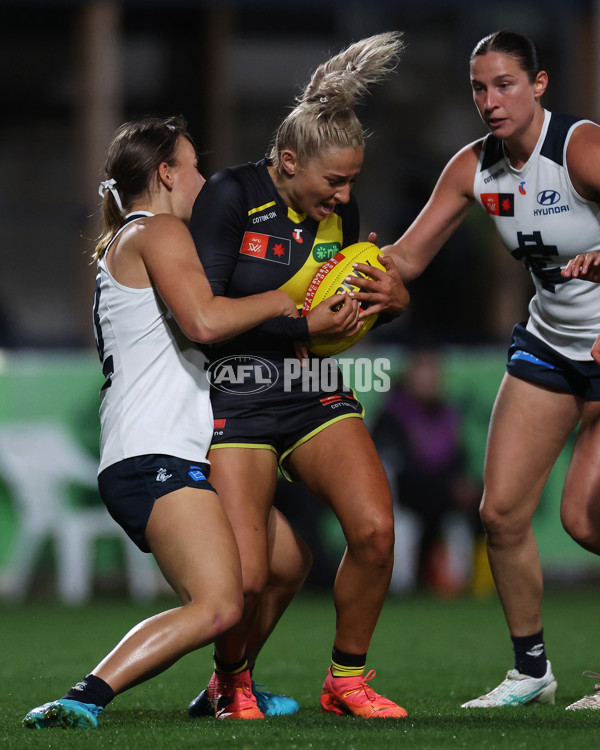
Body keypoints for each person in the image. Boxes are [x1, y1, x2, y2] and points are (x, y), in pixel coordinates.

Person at [21, 115, 305, 729]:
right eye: (193, 164)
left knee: (285, 563)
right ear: (166, 174)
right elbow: (204, 323)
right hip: (154, 456)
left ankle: (228, 690)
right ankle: (83, 697)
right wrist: (287, 300)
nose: (203, 176)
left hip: (156, 452)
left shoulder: (135, 238)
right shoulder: (159, 230)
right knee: (218, 604)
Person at [348, 29, 600, 709]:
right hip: (549, 344)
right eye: (479, 88)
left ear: (540, 85)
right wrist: (344, 269)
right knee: (502, 513)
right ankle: (532, 672)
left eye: (506, 84)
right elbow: (405, 260)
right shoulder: (474, 168)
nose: (491, 100)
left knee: (583, 519)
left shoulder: (579, 149)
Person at [186, 32, 410, 720]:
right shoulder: (228, 196)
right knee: (248, 576)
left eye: (351, 183)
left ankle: (346, 680)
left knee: (374, 531)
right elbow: (204, 315)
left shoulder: (337, 213)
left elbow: (350, 303)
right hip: (237, 396)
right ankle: (231, 683)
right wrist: (299, 328)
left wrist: (393, 304)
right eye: (333, 182)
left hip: (312, 392)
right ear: (288, 162)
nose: (344, 197)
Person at [371, 346, 481, 595]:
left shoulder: (446, 414)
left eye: (436, 371)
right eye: (425, 370)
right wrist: (448, 488)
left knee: (467, 515)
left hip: (441, 502)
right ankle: (401, 591)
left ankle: (462, 587)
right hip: (401, 502)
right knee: (404, 528)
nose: (432, 378)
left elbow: (458, 461)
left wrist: (461, 486)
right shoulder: (392, 416)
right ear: (411, 375)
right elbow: (395, 473)